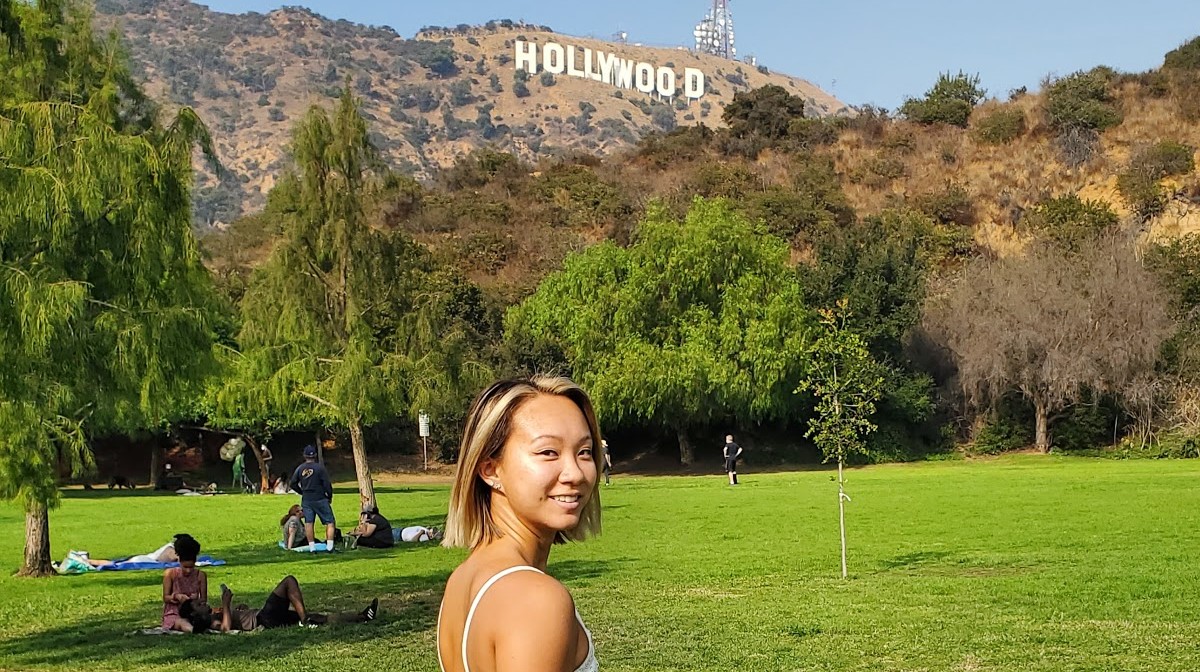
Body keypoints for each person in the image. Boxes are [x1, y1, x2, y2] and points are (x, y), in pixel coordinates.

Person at [436, 376, 602, 672]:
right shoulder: (536, 599)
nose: (575, 473)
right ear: (490, 469)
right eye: (548, 452)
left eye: (584, 452)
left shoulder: (463, 579)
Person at [183, 577, 378, 632]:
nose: (203, 602)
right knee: (289, 582)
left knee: (320, 617)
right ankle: (304, 620)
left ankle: (362, 617)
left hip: (265, 617)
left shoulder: (215, 614)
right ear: (196, 615)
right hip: (264, 618)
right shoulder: (210, 622)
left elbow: (233, 620)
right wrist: (226, 604)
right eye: (198, 605)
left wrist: (237, 609)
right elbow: (225, 628)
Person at [289, 444, 335, 551]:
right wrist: (329, 495)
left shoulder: (300, 468)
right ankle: (330, 546)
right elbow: (326, 483)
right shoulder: (320, 468)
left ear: (304, 456)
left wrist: (301, 491)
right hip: (320, 498)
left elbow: (293, 483)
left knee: (309, 522)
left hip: (307, 499)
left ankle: (312, 547)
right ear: (315, 455)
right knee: (330, 522)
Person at [161, 534, 207, 633]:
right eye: (185, 567)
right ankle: (193, 630)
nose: (188, 570)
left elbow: (203, 599)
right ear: (180, 562)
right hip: (174, 612)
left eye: (191, 567)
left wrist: (195, 600)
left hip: (193, 611)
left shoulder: (200, 575)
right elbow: (165, 597)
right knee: (181, 622)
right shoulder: (170, 574)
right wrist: (176, 597)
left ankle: (199, 624)